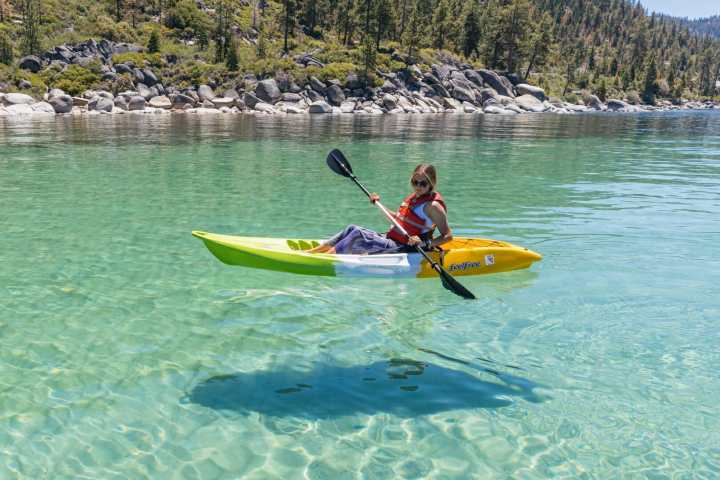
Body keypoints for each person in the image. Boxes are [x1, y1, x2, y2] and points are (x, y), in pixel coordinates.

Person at [308, 164, 452, 254]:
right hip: (392, 239)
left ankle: (325, 259)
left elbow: (447, 236)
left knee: (358, 234)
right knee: (351, 228)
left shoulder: (433, 206)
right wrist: (378, 203)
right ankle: (312, 253)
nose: (418, 187)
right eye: (415, 182)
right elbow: (398, 219)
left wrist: (424, 243)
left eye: (423, 183)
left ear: (431, 183)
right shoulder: (414, 197)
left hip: (407, 247)